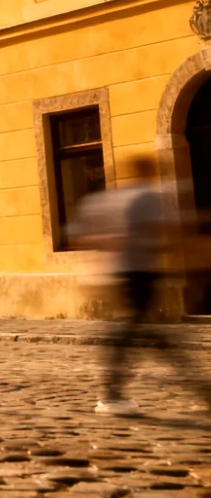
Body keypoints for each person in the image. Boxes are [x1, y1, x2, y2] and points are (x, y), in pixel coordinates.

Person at [69, 155, 211, 416]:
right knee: (137, 332)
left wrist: (109, 248)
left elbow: (78, 235)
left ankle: (201, 390)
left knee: (147, 332)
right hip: (140, 274)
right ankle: (111, 394)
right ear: (150, 171)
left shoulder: (109, 198)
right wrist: (190, 256)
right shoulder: (148, 198)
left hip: (116, 275)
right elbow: (166, 232)